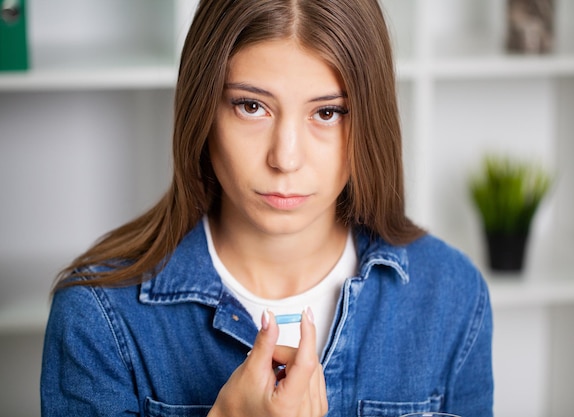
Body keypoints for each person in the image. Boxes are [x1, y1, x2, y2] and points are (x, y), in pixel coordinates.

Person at [40, 1, 494, 416]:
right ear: (203, 111)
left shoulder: (451, 295)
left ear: (369, 119)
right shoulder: (97, 317)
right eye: (252, 106)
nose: (286, 158)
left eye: (328, 113)